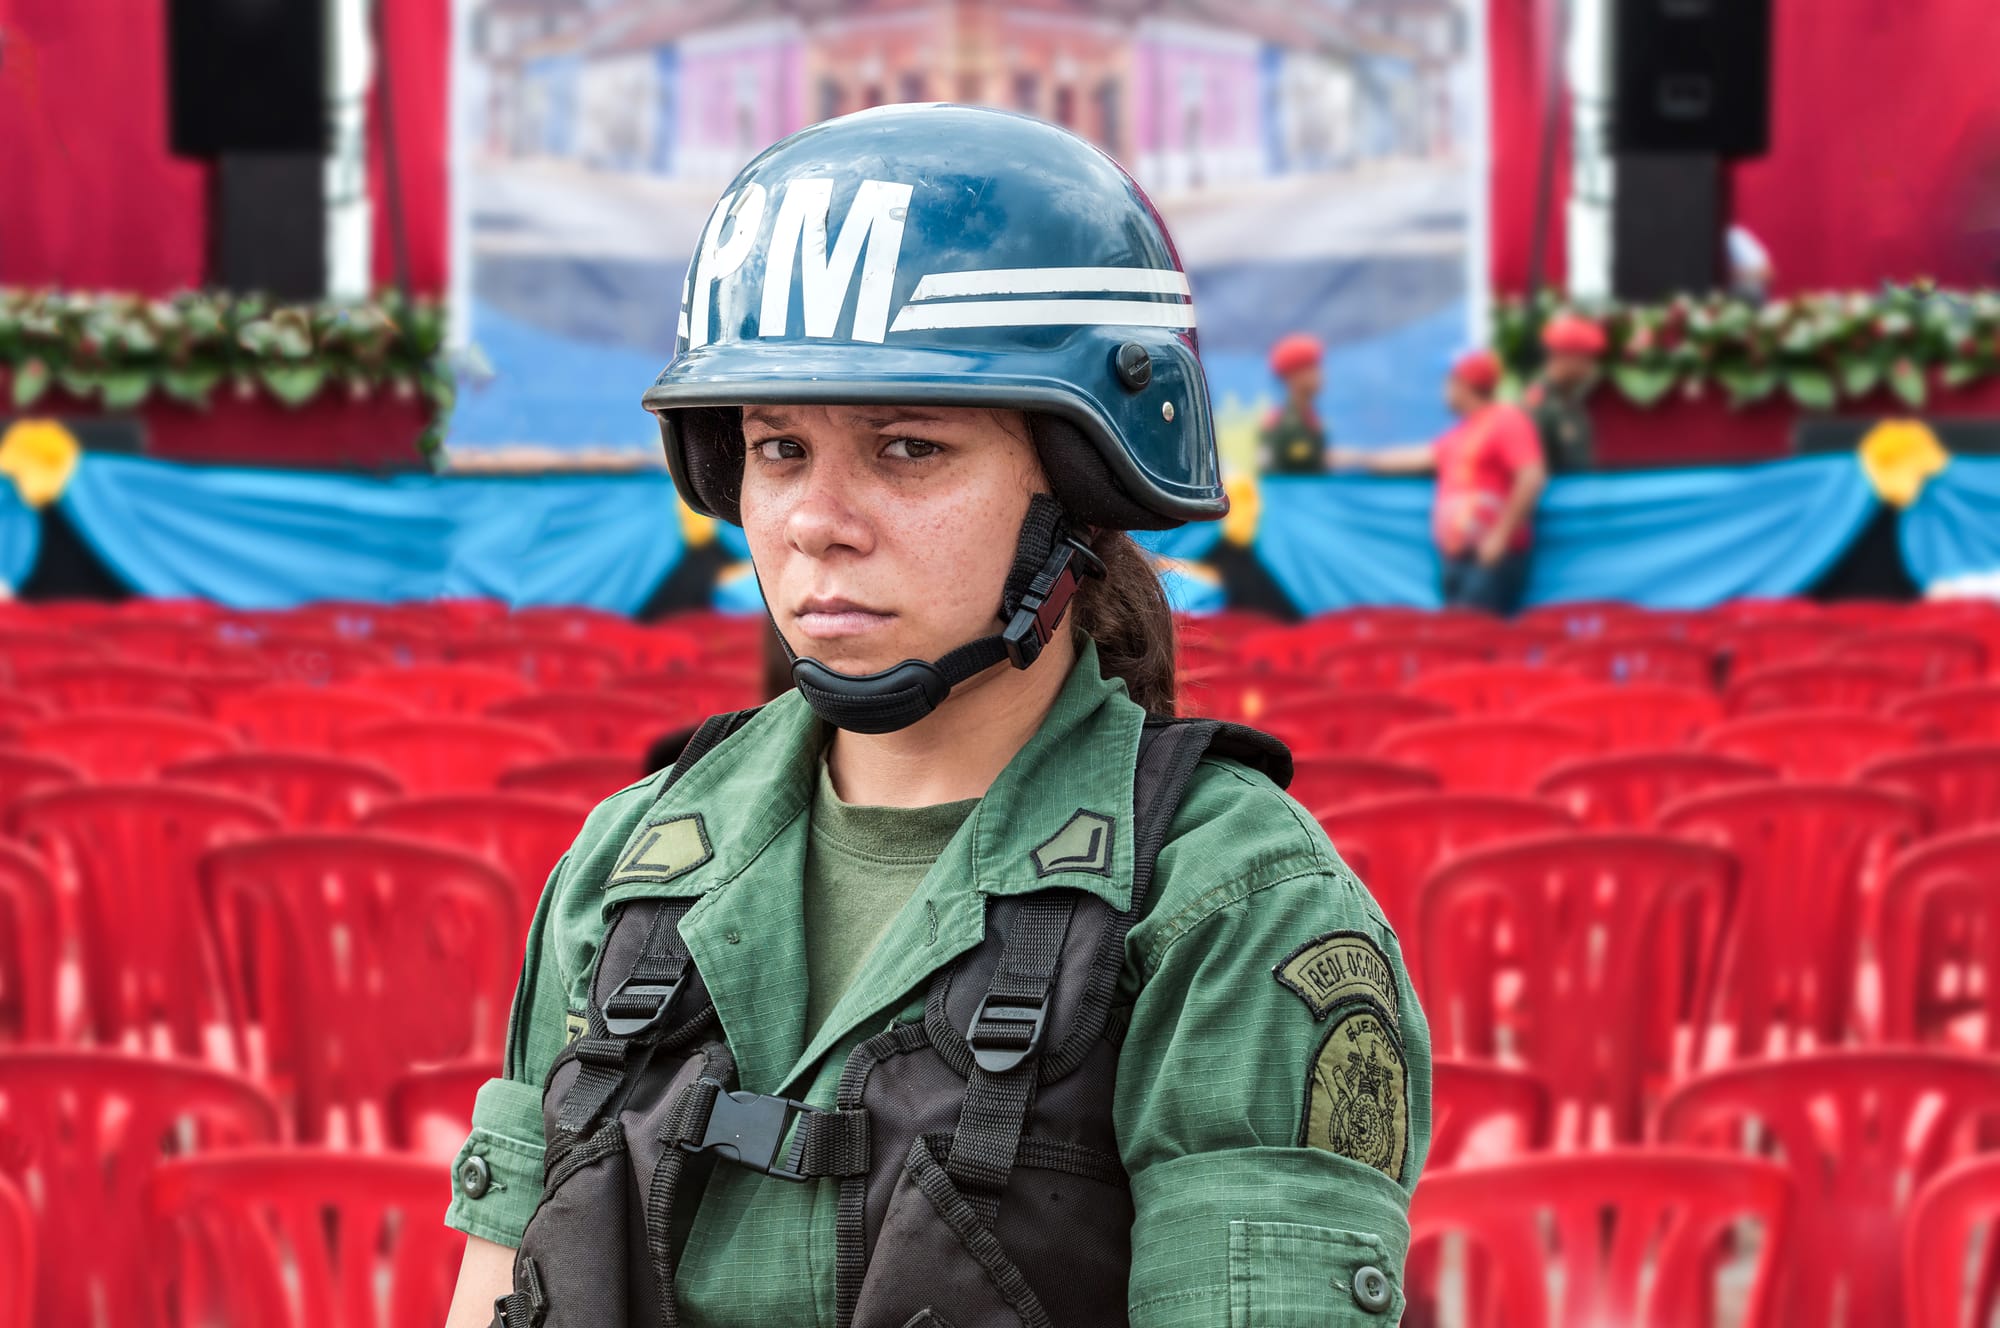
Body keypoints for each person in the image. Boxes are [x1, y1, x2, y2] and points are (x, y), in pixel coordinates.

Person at [442, 105, 1428, 1328]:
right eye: (779, 446)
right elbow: (495, 1286)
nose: (817, 517)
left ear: (1071, 486)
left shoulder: (1226, 899)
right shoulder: (631, 861)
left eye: (907, 445)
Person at [1330, 349, 1547, 617]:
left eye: (1448, 380)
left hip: (1489, 557)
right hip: (1457, 559)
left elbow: (1532, 476)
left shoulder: (1507, 420)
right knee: (1456, 636)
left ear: (1463, 383)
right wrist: (1356, 457)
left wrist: (1500, 537)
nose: (1444, 389)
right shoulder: (1459, 434)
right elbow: (1415, 457)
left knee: (1473, 638)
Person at [1524, 312, 1604, 474]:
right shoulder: (1540, 405)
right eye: (1587, 358)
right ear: (1565, 357)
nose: (1592, 368)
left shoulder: (1570, 399)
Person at [1257, 332, 1331, 474]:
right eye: (1313, 367)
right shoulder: (1280, 423)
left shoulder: (1310, 417)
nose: (1321, 374)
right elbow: (1269, 474)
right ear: (1294, 376)